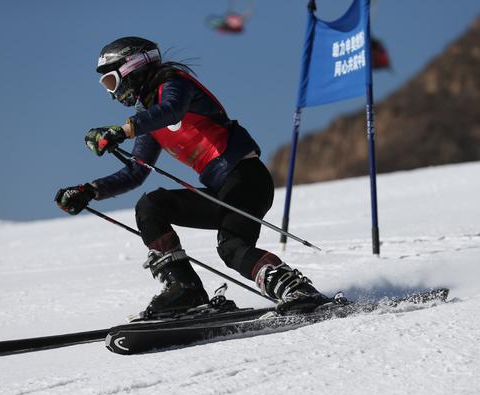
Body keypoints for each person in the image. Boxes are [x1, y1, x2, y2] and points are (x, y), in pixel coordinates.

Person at [55, 37, 327, 318]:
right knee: (151, 206)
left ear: (132, 67)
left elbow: (172, 110)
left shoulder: (175, 84)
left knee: (232, 248)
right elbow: (135, 172)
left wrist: (123, 131)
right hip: (222, 191)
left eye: (110, 82)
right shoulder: (147, 118)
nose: (112, 93)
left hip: (247, 179)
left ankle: (296, 290)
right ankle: (185, 290)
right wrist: (89, 190)